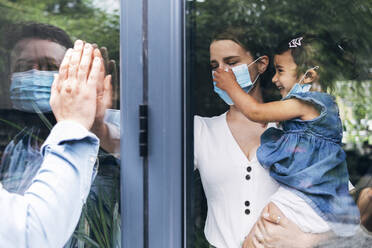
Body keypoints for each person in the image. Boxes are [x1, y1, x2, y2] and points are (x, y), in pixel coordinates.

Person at [213, 34, 360, 241]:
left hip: (303, 195)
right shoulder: (323, 108)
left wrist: (231, 86)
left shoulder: (305, 103)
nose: (274, 79)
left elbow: (255, 112)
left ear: (308, 76)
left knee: (254, 240)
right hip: (316, 196)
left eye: (280, 71)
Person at [0, 40, 105, 247]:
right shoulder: (16, 148)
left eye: (50, 66)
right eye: (24, 67)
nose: (35, 74)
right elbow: (30, 235)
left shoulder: (106, 149)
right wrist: (73, 125)